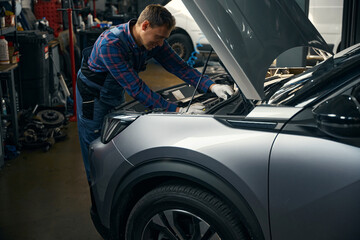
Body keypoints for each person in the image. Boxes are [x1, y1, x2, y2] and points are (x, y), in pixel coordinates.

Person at [76, 4, 234, 180]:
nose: (161, 44)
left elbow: (179, 66)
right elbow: (136, 88)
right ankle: (97, 201)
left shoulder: (154, 39)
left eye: (164, 39)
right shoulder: (111, 44)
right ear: (145, 26)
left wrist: (212, 86)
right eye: (159, 38)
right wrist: (177, 110)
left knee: (113, 143)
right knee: (95, 150)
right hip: (92, 99)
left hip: (114, 91)